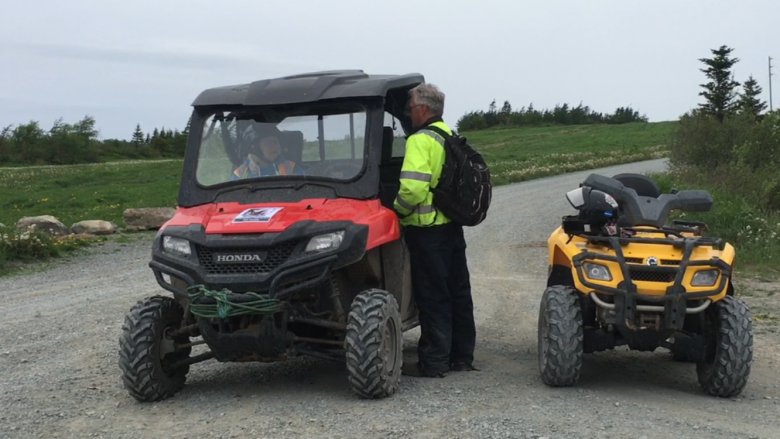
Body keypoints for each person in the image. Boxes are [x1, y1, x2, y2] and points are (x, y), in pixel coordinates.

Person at [393, 83, 477, 378]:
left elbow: (413, 189)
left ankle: (434, 362)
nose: (408, 113)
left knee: (433, 297)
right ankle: (462, 357)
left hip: (426, 232)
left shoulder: (420, 140)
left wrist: (397, 210)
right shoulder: (448, 135)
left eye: (411, 107)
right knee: (458, 293)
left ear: (423, 110)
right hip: (452, 227)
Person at [231, 135, 303, 179]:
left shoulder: (292, 168)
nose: (275, 146)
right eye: (269, 143)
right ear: (255, 148)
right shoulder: (240, 174)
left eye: (276, 142)